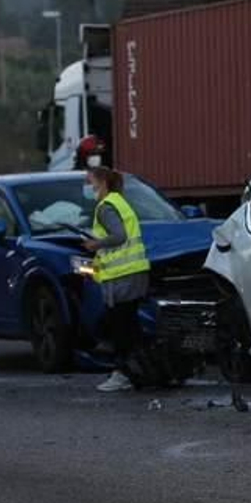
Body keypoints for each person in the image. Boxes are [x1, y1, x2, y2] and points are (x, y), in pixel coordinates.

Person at [83, 164, 150, 393]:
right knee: (130, 326)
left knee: (120, 328)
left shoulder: (106, 207)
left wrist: (95, 244)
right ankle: (140, 371)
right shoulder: (119, 201)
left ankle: (123, 374)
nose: (87, 186)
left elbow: (119, 236)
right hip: (135, 271)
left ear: (101, 182)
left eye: (89, 181)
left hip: (122, 275)